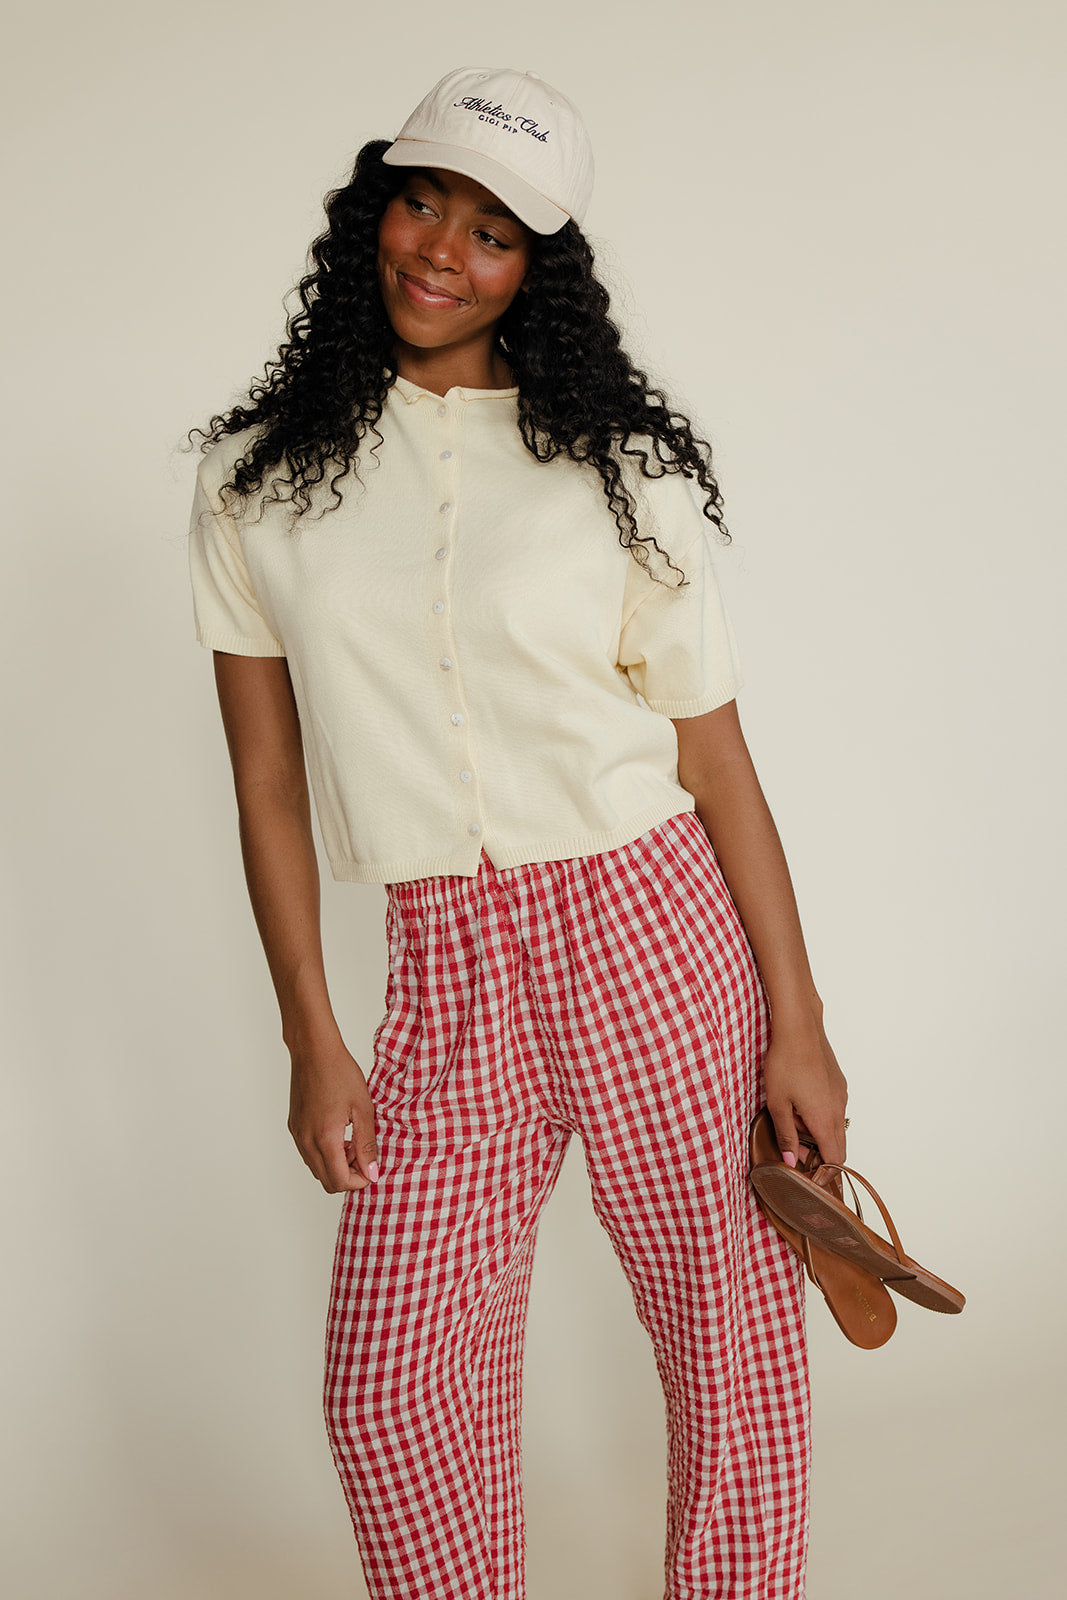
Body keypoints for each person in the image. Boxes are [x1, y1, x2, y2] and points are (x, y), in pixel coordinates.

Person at [187, 64, 847, 1600]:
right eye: (422, 204)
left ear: (536, 269)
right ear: (374, 210)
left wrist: (800, 1028)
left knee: (730, 1340)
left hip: (652, 924)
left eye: (492, 232)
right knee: (392, 1385)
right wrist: (312, 1033)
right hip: (445, 961)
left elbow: (717, 761)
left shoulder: (618, 471)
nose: (443, 251)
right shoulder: (252, 482)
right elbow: (268, 782)